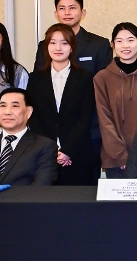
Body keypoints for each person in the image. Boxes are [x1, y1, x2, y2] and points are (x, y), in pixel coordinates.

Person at [26, 23, 100, 184]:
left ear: (72, 47)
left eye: (64, 43)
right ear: (46, 47)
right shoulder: (35, 79)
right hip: (44, 155)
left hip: (78, 155)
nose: (58, 48)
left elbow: (85, 118)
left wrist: (67, 150)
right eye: (53, 42)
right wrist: (52, 149)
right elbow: (33, 117)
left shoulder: (85, 78)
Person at [93, 22, 137, 178]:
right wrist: (120, 154)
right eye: (119, 41)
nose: (125, 45)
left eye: (130, 40)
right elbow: (104, 119)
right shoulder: (102, 78)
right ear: (113, 45)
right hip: (114, 159)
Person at [32, 0, 112, 76]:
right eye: (62, 8)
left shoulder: (100, 44)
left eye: (72, 8)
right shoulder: (45, 45)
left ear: (83, 13)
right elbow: (38, 78)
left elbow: (105, 80)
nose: (67, 13)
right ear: (56, 14)